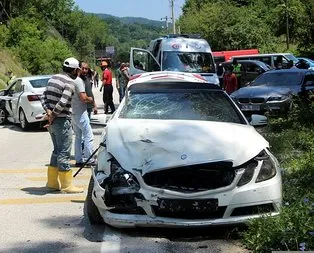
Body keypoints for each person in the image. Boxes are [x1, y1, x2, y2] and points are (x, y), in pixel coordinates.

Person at [41, 57, 83, 194]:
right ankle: (66, 185)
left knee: (56, 151)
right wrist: (53, 114)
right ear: (75, 70)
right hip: (62, 119)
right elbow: (63, 101)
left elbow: (43, 97)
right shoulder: (70, 82)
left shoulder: (53, 78)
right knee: (64, 152)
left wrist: (48, 112)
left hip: (52, 121)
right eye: (78, 69)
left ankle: (52, 183)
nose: (79, 72)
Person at [72, 62, 96, 168]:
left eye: (87, 69)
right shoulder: (78, 81)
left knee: (78, 137)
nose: (84, 70)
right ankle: (88, 159)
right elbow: (84, 97)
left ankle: (79, 159)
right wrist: (90, 99)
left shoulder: (71, 80)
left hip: (74, 112)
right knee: (88, 135)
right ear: (77, 69)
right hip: (80, 112)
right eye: (82, 68)